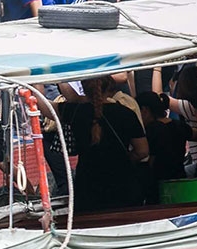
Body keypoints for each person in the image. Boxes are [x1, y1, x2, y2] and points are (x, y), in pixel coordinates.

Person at [57, 76, 148, 211]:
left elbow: (45, 107)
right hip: (122, 180)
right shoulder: (126, 113)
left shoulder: (74, 111)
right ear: (109, 86)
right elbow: (142, 151)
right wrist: (126, 158)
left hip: (87, 182)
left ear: (84, 88)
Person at [136, 91, 191, 192]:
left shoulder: (151, 130)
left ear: (144, 110)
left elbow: (151, 159)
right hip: (180, 178)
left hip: (159, 183)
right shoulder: (180, 126)